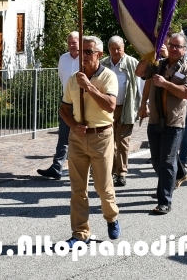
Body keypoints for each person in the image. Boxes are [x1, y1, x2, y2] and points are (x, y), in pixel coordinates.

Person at [59, 36, 120, 244]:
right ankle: (79, 233)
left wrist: (90, 87)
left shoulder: (108, 77)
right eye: (82, 51)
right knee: (78, 188)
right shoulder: (73, 79)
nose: (83, 56)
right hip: (77, 137)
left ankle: (111, 217)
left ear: (99, 55)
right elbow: (64, 109)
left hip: (101, 137)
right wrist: (73, 125)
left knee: (102, 186)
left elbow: (111, 105)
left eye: (88, 52)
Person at [138, 34, 187, 214]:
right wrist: (146, 55)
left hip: (173, 122)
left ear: (184, 50)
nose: (173, 49)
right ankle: (175, 177)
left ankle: (165, 201)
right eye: (171, 45)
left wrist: (165, 84)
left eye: (178, 46)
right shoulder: (158, 64)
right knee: (156, 159)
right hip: (155, 119)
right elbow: (139, 73)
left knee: (167, 161)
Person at [39, 31, 80, 180]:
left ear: (80, 42)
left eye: (74, 42)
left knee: (82, 136)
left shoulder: (86, 58)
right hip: (66, 102)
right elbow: (61, 78)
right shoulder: (63, 58)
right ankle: (57, 167)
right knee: (63, 135)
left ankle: (86, 168)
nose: (71, 45)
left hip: (82, 103)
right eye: (69, 42)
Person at [102, 36, 142, 187]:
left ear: (124, 48)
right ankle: (111, 170)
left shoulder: (132, 63)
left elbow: (140, 85)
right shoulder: (104, 64)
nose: (117, 51)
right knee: (108, 141)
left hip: (126, 107)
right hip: (107, 108)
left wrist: (145, 105)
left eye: (119, 48)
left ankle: (122, 172)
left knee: (123, 141)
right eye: (113, 48)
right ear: (109, 50)